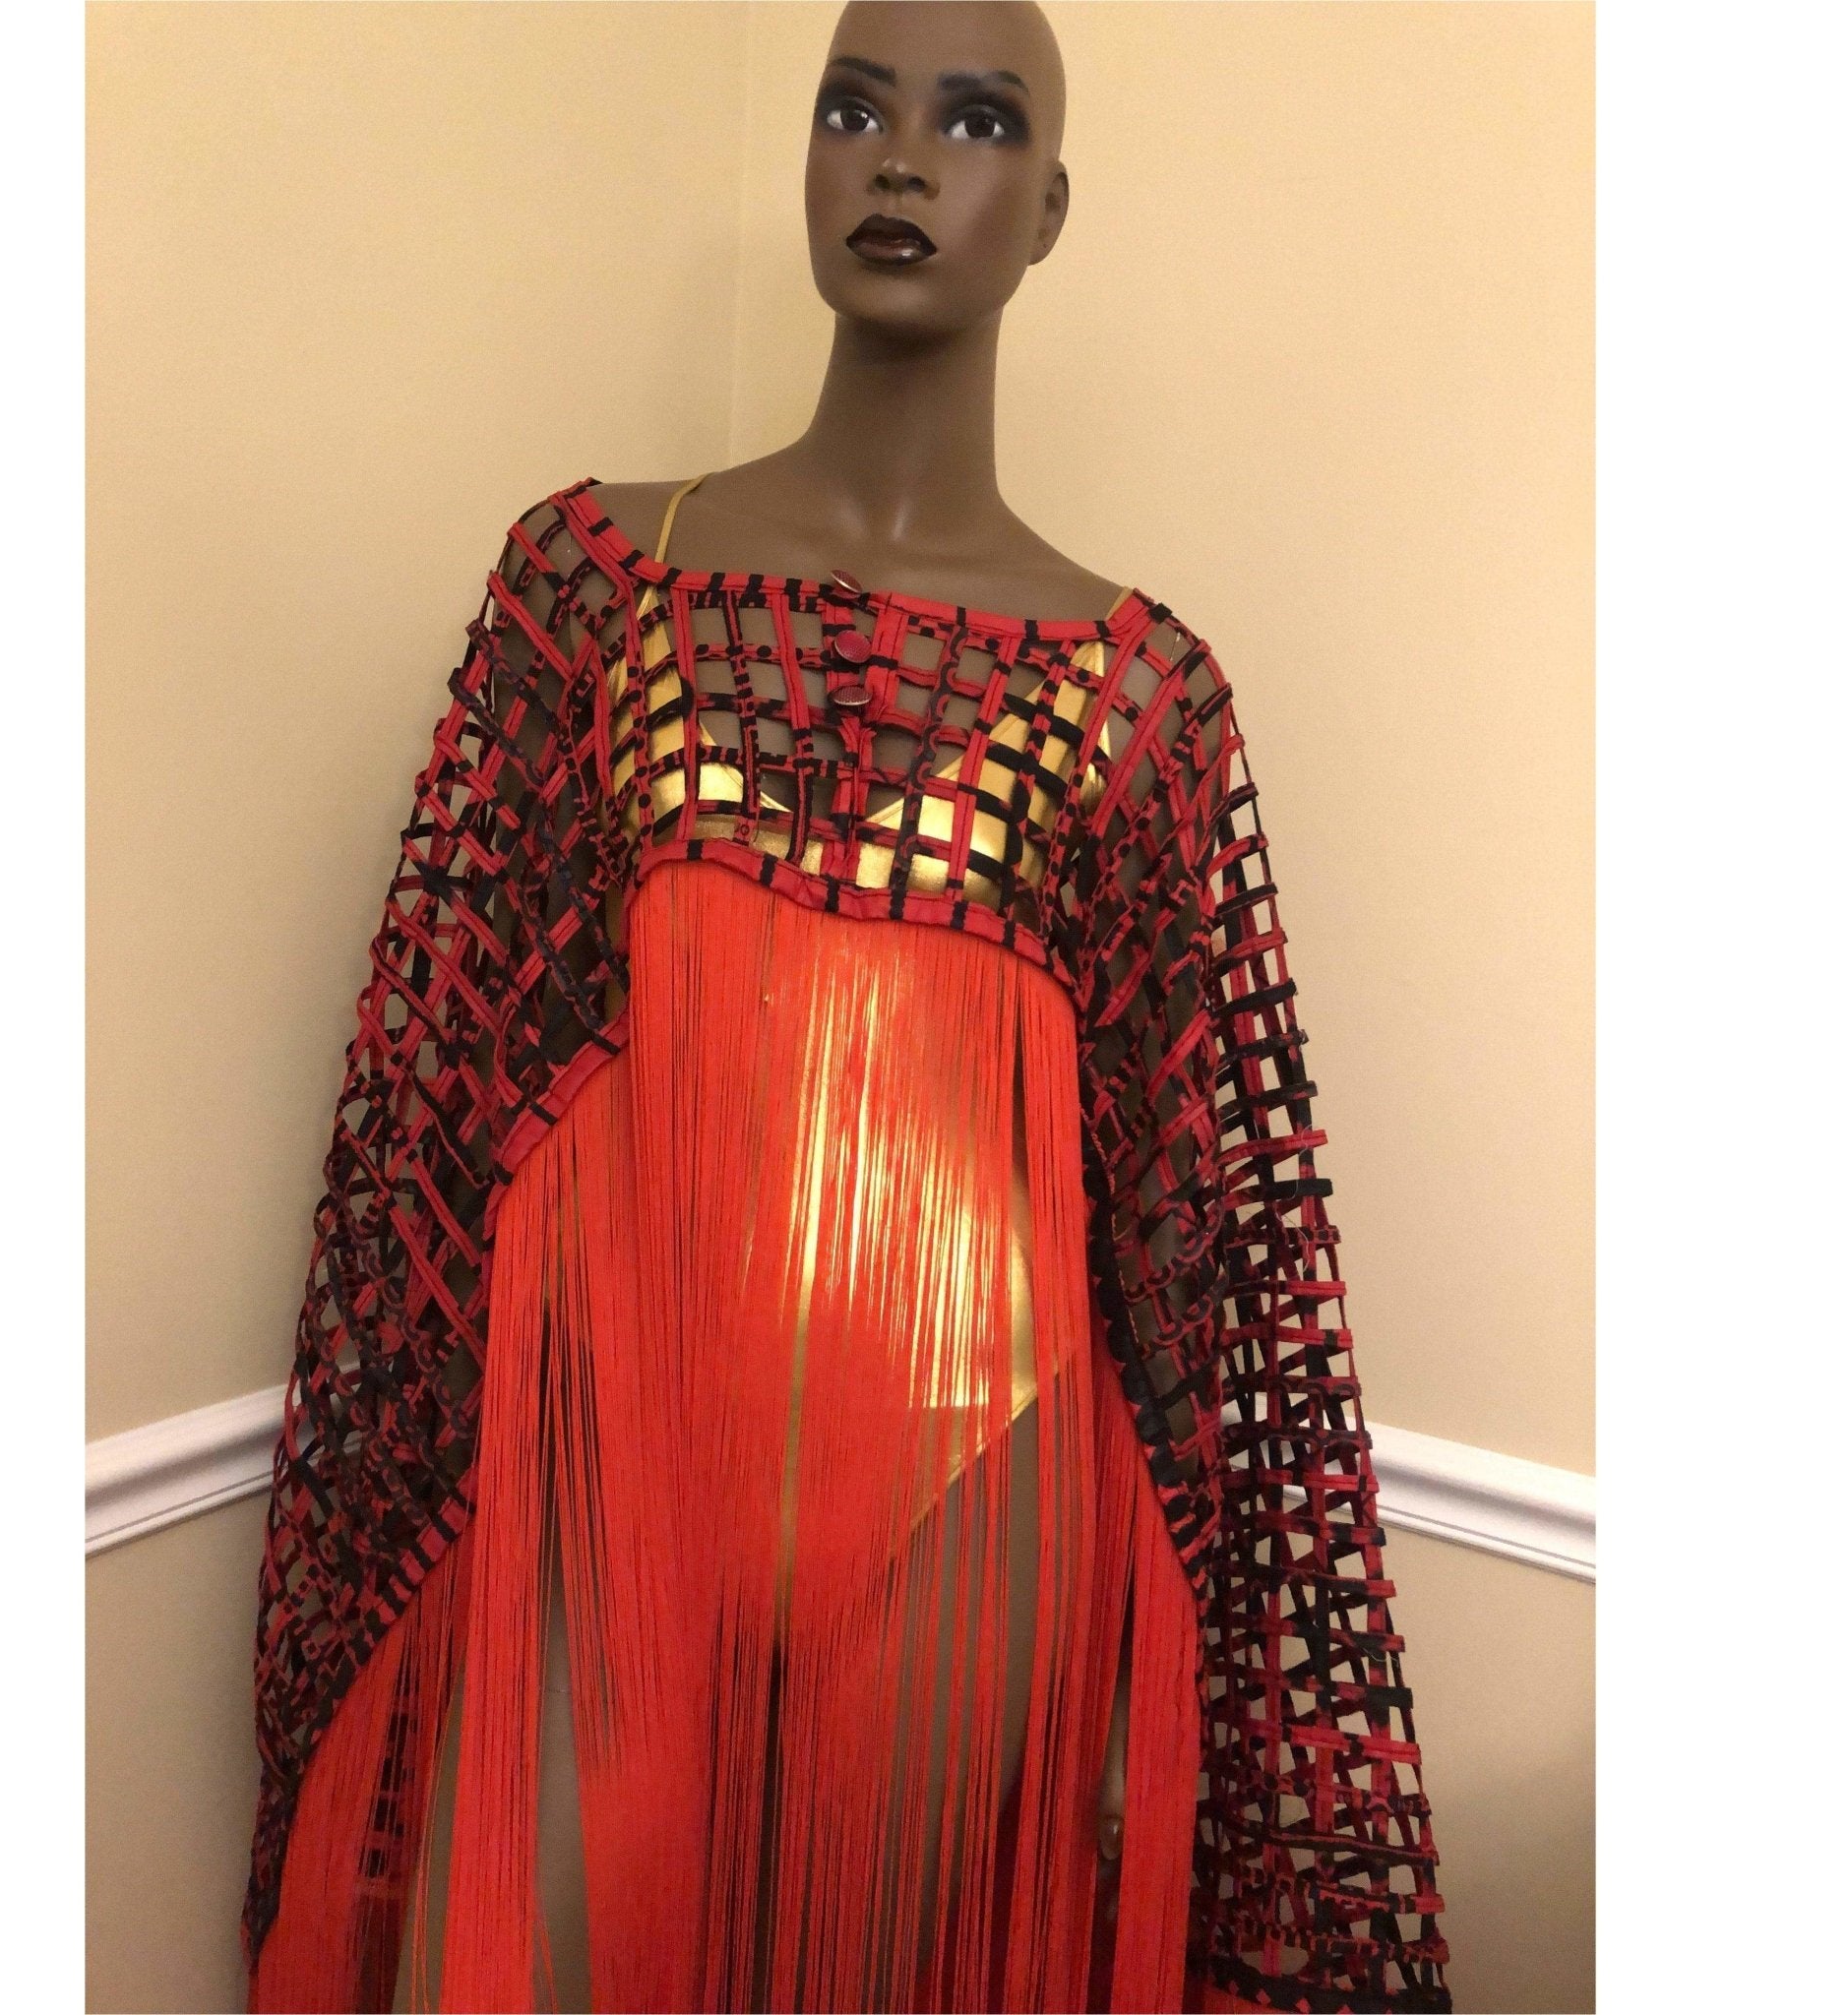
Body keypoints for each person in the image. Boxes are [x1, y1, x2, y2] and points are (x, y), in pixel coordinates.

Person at [240, 5, 1451, 2011]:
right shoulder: (593, 584)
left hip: (977, 1502)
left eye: (975, 122)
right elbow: (439, 1087)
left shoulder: (1143, 692)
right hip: (611, 1475)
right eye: (851, 106)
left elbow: (1189, 1224)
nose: (900, 157)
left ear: (1045, 209)